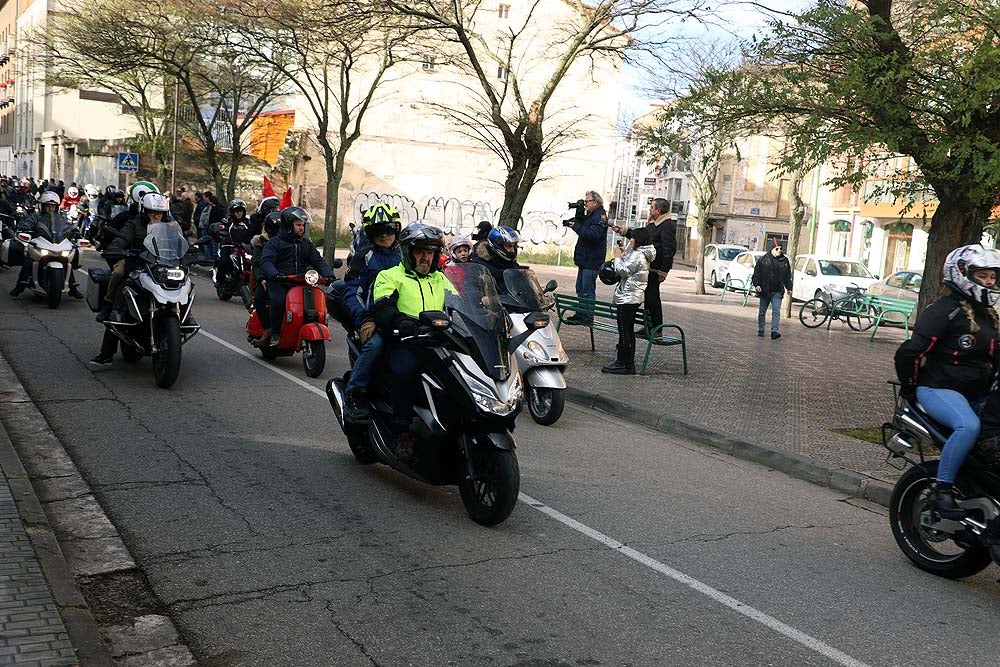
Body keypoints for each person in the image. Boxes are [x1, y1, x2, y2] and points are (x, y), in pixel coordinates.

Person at [895, 245, 1000, 518]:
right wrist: (910, 389)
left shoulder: (988, 316)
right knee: (968, 426)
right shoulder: (944, 311)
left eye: (992, 277)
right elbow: (910, 353)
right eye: (983, 276)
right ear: (963, 274)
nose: (989, 282)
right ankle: (942, 490)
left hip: (976, 394)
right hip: (939, 389)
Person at [372, 222, 453, 461]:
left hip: (439, 341)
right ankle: (403, 431)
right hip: (406, 340)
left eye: (430, 252)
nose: (425, 257)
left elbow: (463, 301)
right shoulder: (390, 276)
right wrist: (399, 320)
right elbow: (383, 305)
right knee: (404, 371)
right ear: (408, 252)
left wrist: (488, 312)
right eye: (420, 251)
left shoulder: (440, 279)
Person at [343, 203, 403, 420]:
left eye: (389, 230)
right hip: (376, 319)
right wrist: (365, 319)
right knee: (375, 345)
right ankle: (355, 393)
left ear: (397, 230)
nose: (384, 235)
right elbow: (352, 291)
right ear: (370, 233)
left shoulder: (406, 255)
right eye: (378, 231)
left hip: (405, 318)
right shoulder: (364, 256)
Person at [257, 206, 334, 347]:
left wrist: (329, 274)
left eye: (303, 225)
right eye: (298, 225)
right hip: (280, 281)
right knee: (279, 301)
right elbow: (266, 261)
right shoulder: (275, 243)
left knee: (315, 301)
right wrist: (275, 274)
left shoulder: (306, 244)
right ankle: (275, 332)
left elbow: (317, 260)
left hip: (300, 282)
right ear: (288, 225)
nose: (302, 228)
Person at [94, 192, 170, 325]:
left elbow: (179, 241)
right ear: (144, 212)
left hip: (162, 261)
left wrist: (190, 250)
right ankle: (111, 306)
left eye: (160, 213)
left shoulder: (169, 226)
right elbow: (122, 239)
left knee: (183, 280)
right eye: (152, 212)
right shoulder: (134, 224)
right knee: (119, 273)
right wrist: (116, 247)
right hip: (137, 260)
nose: (156, 216)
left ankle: (184, 313)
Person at [615, 198, 676, 336]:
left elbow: (669, 250)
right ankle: (649, 327)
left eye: (652, 207)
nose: (650, 209)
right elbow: (640, 236)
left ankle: (656, 329)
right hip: (648, 267)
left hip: (655, 269)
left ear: (658, 211)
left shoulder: (666, 225)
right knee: (647, 298)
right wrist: (624, 231)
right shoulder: (653, 224)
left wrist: (664, 271)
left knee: (652, 298)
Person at [10, 191, 84, 299]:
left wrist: (75, 231)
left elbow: (68, 226)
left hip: (56, 244)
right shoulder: (36, 216)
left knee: (67, 260)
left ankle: (72, 287)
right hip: (39, 244)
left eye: (53, 206)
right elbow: (29, 222)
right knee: (28, 261)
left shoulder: (60, 218)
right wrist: (25, 227)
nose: (50, 209)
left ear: (56, 207)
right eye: (48, 206)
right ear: (42, 206)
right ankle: (20, 285)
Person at [602, 228, 654, 375]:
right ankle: (628, 364)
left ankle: (622, 363)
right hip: (632, 296)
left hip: (629, 297)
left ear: (639, 240)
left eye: (633, 238)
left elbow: (623, 271)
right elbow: (630, 268)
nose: (630, 240)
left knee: (624, 331)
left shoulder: (639, 254)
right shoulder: (641, 253)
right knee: (628, 330)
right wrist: (625, 253)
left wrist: (618, 257)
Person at [563, 190, 609, 325]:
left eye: (587, 201)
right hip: (585, 259)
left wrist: (576, 226)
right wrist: (578, 212)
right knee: (580, 288)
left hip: (592, 260)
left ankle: (587, 316)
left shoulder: (600, 216)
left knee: (587, 290)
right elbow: (581, 222)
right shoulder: (592, 214)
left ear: (595, 202)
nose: (585, 203)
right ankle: (581, 313)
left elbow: (592, 235)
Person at [752, 239, 793, 339]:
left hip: (777, 291)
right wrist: (757, 285)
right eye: (777, 248)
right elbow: (756, 274)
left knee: (776, 311)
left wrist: (789, 287)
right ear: (772, 249)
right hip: (765, 290)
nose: (779, 250)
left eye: (781, 248)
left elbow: (787, 276)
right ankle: (761, 329)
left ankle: (774, 331)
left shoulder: (784, 261)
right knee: (762, 311)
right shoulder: (763, 260)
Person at [473, 226, 521, 293]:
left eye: (514, 246)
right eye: (509, 246)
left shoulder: (512, 264)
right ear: (498, 244)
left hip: (512, 302)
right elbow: (472, 291)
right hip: (491, 302)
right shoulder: (479, 265)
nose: (512, 250)